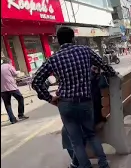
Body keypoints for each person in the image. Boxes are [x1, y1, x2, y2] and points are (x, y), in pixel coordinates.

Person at [31, 26, 115, 168]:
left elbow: (36, 82)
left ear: (58, 41)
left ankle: (85, 166)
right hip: (85, 102)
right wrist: (111, 73)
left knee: (76, 141)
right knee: (91, 134)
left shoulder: (54, 59)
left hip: (66, 104)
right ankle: (103, 163)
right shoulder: (85, 51)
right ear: (73, 38)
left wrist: (50, 98)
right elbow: (104, 65)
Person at [62, 66, 107, 168]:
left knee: (69, 133)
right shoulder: (99, 78)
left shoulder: (85, 81)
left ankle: (77, 162)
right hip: (100, 113)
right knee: (86, 134)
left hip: (92, 115)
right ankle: (103, 163)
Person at [1, 58, 29, 124]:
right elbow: (15, 74)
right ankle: (21, 114)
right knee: (20, 98)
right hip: (12, 87)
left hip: (2, 89)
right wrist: (17, 72)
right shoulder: (9, 66)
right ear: (9, 62)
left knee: (7, 104)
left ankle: (12, 119)